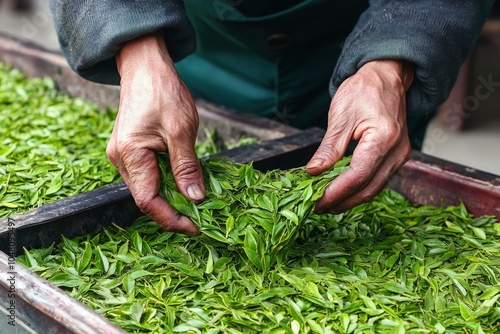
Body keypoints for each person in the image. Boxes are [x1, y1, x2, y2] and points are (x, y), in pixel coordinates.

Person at [49, 1, 495, 235]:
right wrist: (140, 56)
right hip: (197, 42)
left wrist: (390, 67)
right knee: (189, 150)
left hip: (357, 43)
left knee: (372, 164)